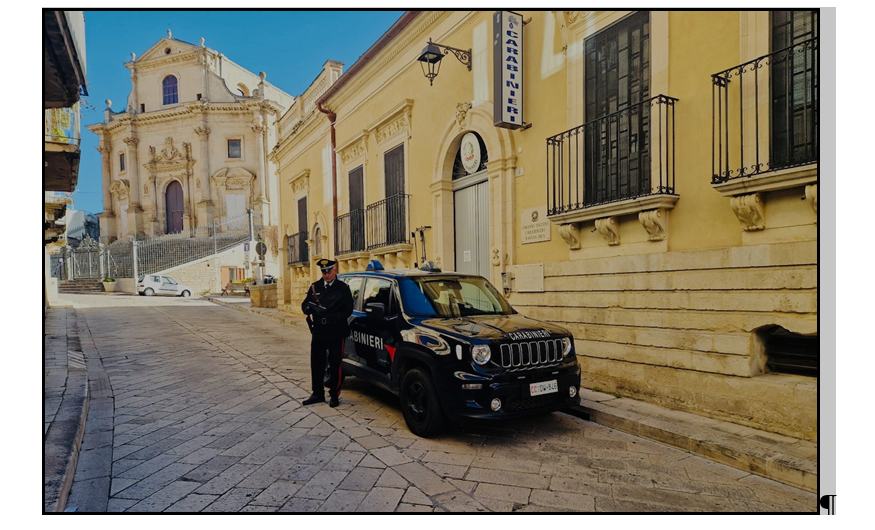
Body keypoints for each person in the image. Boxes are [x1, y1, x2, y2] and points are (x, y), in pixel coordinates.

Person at [301, 258, 353, 407]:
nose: (326, 275)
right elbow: (305, 304)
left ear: (335, 270)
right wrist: (307, 309)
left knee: (335, 364)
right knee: (316, 363)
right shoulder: (315, 287)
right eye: (324, 272)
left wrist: (334, 317)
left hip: (336, 331)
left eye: (329, 271)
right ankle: (317, 393)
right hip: (318, 331)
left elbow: (348, 309)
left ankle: (334, 395)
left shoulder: (343, 288)